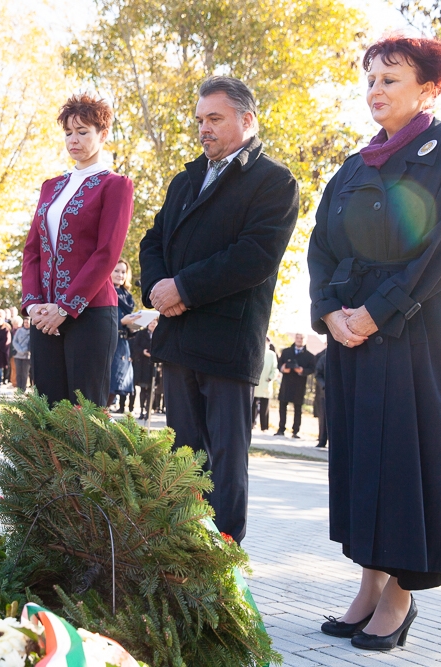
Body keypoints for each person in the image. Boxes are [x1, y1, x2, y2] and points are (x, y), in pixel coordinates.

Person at [308, 36, 441, 650]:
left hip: (415, 329)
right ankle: (368, 586)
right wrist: (329, 311)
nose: (375, 90)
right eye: (371, 80)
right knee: (365, 461)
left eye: (391, 79)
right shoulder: (354, 165)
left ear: (428, 89)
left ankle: (400, 597)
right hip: (352, 332)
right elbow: (322, 244)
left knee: (408, 459)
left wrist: (378, 312)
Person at [139, 75, 300, 544]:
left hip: (227, 346)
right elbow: (153, 241)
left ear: (246, 120)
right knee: (181, 460)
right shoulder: (186, 179)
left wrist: (183, 288)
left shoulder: (274, 181)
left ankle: (221, 565)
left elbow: (254, 257)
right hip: (178, 340)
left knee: (225, 467)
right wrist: (160, 290)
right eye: (199, 120)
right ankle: (178, 554)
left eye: (214, 118)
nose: (203, 128)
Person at [21, 93, 133, 406]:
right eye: (68, 132)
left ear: (103, 134)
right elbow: (32, 251)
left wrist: (65, 307)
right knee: (46, 412)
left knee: (84, 416)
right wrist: (33, 304)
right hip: (44, 316)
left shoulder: (116, 185)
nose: (74, 139)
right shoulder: (50, 186)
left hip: (91, 314)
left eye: (83, 132)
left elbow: (107, 253)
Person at [108, 260, 139, 413]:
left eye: (123, 272)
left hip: (123, 346)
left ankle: (104, 414)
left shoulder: (128, 297)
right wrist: (121, 322)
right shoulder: (105, 291)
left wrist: (135, 326)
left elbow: (131, 328)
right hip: (109, 343)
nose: (120, 275)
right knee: (108, 384)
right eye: (116, 271)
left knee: (118, 385)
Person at [276, 334, 316, 438]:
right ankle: (281, 429)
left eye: (302, 338)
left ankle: (295, 431)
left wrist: (302, 370)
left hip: (299, 385)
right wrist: (282, 369)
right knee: (282, 406)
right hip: (286, 383)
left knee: (298, 408)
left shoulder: (309, 356)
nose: (299, 340)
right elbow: (279, 364)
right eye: (297, 338)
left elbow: (312, 369)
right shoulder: (286, 352)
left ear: (305, 340)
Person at [130, 317, 158, 420]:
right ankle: (142, 411)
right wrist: (143, 352)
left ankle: (148, 411)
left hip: (154, 366)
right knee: (142, 389)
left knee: (151, 390)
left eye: (154, 322)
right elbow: (135, 347)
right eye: (151, 322)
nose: (152, 324)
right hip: (142, 366)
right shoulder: (141, 334)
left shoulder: (159, 334)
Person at [253, 337, 279, 431]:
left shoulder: (272, 354)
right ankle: (252, 423)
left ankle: (264, 426)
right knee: (253, 405)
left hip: (265, 382)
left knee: (265, 406)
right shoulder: (255, 351)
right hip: (256, 382)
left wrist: (270, 377)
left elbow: (275, 368)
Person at [11, 316, 31, 391]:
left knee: (25, 373)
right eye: (25, 322)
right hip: (18, 355)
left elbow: (31, 343)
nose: (26, 324)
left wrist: (24, 350)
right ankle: (19, 388)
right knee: (18, 373)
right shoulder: (19, 331)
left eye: (27, 322)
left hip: (27, 355)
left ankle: (23, 388)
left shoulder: (32, 332)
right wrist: (19, 350)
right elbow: (14, 341)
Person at [314, 348, 328, 448]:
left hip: (339, 393)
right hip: (324, 394)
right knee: (323, 418)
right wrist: (324, 386)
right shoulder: (323, 358)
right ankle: (322, 440)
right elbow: (317, 374)